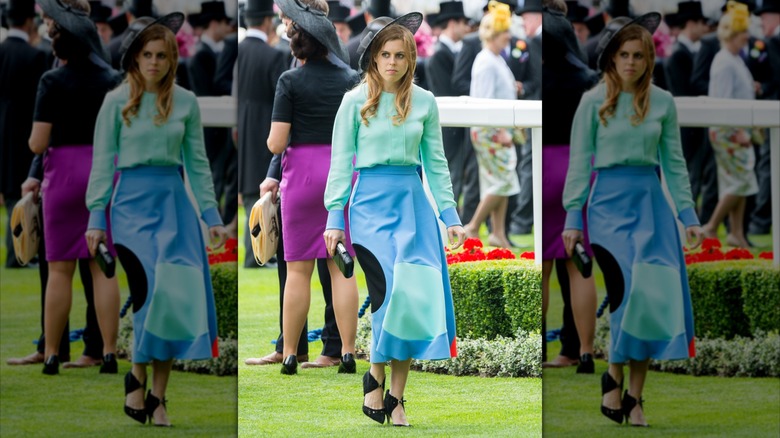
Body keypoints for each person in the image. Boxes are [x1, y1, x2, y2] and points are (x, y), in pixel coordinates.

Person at [85, 12, 227, 426]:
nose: (153, 62)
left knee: (173, 299)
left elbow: (197, 164)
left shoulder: (186, 101)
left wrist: (211, 216)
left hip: (175, 207)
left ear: (172, 59)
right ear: (135, 57)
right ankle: (136, 374)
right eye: (147, 54)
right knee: (149, 295)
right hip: (130, 209)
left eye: (161, 55)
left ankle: (158, 396)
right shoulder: (115, 101)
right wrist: (96, 218)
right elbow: (101, 163)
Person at [562, 12, 704, 426]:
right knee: (627, 296)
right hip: (607, 208)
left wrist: (688, 215)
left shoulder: (663, 102)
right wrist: (573, 218)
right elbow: (578, 163)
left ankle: (634, 396)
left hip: (652, 206)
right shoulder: (592, 101)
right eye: (623, 54)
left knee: (651, 299)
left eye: (638, 55)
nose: (630, 62)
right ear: (612, 57)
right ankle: (613, 374)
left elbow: (674, 164)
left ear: (649, 59)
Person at [324, 12, 466, 426]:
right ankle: (374, 374)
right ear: (373, 57)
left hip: (414, 206)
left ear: (411, 59)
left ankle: (396, 396)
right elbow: (340, 163)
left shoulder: (425, 101)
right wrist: (334, 218)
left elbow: (436, 163)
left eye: (400, 55)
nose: (392, 62)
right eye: (385, 54)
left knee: (411, 298)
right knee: (389, 294)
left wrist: (450, 215)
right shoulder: (353, 101)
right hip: (368, 207)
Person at [29, 0, 122, 376]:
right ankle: (110, 353)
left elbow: (38, 143)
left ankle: (52, 354)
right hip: (103, 171)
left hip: (63, 177)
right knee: (103, 268)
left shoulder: (51, 81)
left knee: (59, 270)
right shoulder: (112, 78)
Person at [266, 0, 359, 376]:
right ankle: (347, 353)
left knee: (297, 271)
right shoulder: (351, 78)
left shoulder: (290, 81)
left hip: (301, 179)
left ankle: (290, 354)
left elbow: (276, 143)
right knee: (342, 268)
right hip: (341, 173)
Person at [540, 1, 598, 374]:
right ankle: (586, 353)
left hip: (544, 167)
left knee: (543, 269)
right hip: (580, 166)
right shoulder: (589, 78)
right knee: (580, 265)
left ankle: (537, 352)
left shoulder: (536, 78)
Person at [461, 1, 520, 249]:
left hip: (495, 129)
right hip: (491, 131)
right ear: (494, 33)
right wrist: (501, 131)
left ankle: (498, 233)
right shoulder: (486, 61)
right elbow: (485, 102)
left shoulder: (494, 58)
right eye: (505, 31)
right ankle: (473, 226)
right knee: (503, 180)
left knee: (499, 180)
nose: (509, 36)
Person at [701, 3, 757, 249]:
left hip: (734, 129)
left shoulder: (733, 58)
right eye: (743, 31)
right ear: (733, 33)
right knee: (741, 180)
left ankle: (736, 232)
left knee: (738, 180)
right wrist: (739, 131)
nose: (747, 35)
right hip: (730, 131)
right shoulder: (725, 61)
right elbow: (723, 102)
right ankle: (712, 226)